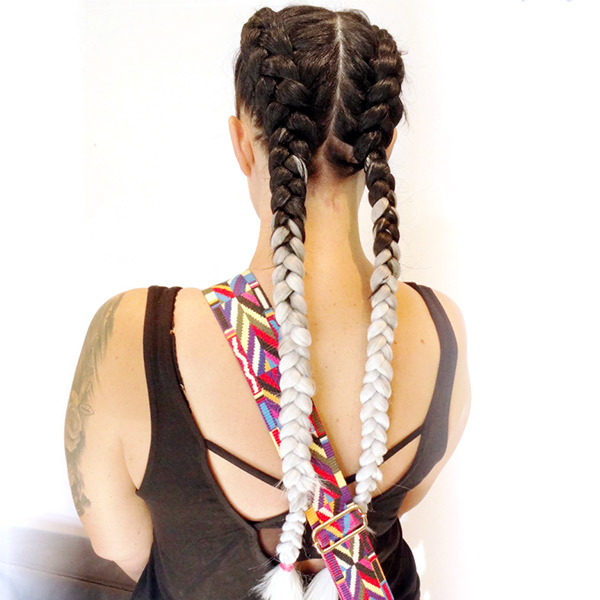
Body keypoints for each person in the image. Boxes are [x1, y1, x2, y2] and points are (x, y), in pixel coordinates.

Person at [65, 5, 470, 599]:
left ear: (242, 143)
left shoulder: (132, 336)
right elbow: (406, 497)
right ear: (381, 144)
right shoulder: (442, 328)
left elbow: (115, 542)